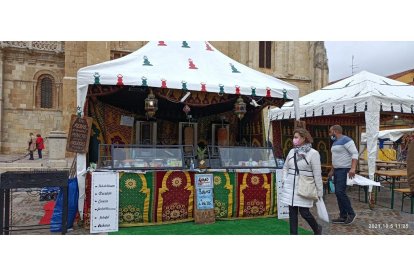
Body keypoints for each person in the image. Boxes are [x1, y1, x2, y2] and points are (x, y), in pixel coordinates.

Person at [281, 128, 323, 235]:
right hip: (290, 186)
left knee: (305, 213)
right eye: (293, 137)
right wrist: (285, 179)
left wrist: (319, 191)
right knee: (292, 213)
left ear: (304, 138)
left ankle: (317, 229)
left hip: (304, 186)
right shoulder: (292, 151)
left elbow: (317, 174)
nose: (293, 139)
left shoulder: (313, 153)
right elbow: (285, 167)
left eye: (296, 137)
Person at [327, 125, 358, 225]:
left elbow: (355, 154)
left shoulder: (347, 140)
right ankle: (343, 216)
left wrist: (353, 168)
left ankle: (351, 213)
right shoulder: (335, 142)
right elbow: (335, 157)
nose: (329, 134)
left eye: (330, 131)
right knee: (337, 192)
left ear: (335, 131)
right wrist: (332, 170)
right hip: (337, 170)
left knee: (340, 192)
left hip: (344, 170)